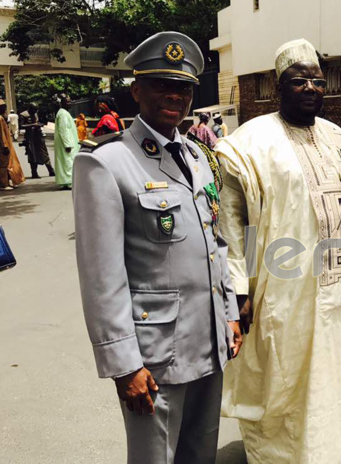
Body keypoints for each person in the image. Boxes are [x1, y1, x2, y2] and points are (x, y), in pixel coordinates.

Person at [73, 31, 241, 464]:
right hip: (154, 354)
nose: (175, 96)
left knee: (200, 454)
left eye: (183, 87)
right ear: (137, 91)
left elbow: (214, 242)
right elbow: (101, 275)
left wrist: (230, 315)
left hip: (208, 341)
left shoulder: (200, 156)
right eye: (162, 85)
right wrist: (123, 363)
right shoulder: (107, 163)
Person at [216, 38, 341, 463]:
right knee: (285, 384)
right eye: (298, 80)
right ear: (277, 85)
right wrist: (239, 288)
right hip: (285, 291)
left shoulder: (338, 136)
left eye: (317, 81)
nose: (310, 87)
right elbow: (233, 224)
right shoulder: (248, 143)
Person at [20, 103, 55, 179]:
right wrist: (33, 125)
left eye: (36, 110)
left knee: (44, 153)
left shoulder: (35, 113)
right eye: (34, 110)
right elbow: (21, 125)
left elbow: (37, 121)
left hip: (38, 136)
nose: (35, 111)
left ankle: (51, 170)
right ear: (30, 109)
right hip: (30, 138)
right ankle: (34, 172)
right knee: (32, 155)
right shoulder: (23, 115)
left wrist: (39, 124)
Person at [54, 94, 80, 189]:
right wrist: (67, 144)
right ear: (62, 103)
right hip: (67, 143)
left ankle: (66, 181)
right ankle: (69, 182)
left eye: (70, 101)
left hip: (66, 142)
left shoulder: (63, 113)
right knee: (68, 161)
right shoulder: (63, 114)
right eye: (68, 102)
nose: (70, 103)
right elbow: (64, 130)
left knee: (66, 162)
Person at [0, 99, 25, 190]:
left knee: (7, 164)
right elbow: (1, 135)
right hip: (3, 146)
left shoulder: (2, 117)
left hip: (6, 144)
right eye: (3, 107)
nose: (5, 109)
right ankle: (3, 184)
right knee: (3, 165)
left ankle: (8, 181)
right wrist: (5, 146)